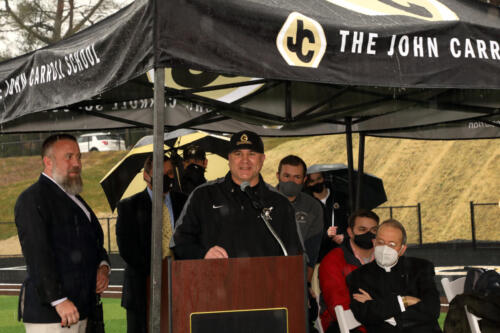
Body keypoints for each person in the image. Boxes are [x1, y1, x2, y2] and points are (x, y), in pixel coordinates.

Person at [14, 134, 110, 332]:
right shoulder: (32, 199)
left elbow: (93, 242)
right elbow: (37, 255)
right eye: (69, 157)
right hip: (53, 316)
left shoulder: (75, 198)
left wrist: (102, 267)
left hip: (83, 310)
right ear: (48, 162)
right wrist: (58, 300)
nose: (77, 163)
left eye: (78, 157)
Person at [172, 130, 303, 259]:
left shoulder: (280, 203)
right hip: (214, 278)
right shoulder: (203, 195)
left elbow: (294, 255)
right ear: (229, 158)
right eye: (238, 154)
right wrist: (203, 254)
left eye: (251, 154)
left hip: (264, 279)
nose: (244, 160)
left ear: (262, 159)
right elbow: (179, 242)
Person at [116, 155, 187, 333]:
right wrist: (158, 274)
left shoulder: (185, 202)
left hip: (180, 288)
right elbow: (127, 250)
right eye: (159, 173)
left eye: (169, 172)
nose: (166, 177)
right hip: (141, 292)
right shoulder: (128, 207)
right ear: (146, 175)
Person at [346, 219, 441, 333]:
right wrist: (404, 301)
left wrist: (383, 310)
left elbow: (432, 310)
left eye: (392, 244)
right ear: (374, 243)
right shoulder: (358, 276)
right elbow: (365, 314)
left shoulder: (420, 268)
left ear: (402, 249)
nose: (385, 248)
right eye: (381, 242)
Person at [319, 209, 380, 333]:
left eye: (374, 230)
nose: (369, 234)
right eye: (362, 230)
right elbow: (338, 305)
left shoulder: (384, 258)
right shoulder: (333, 260)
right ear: (350, 232)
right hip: (341, 324)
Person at [276, 155, 323, 283]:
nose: (291, 181)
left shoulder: (313, 207)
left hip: (297, 275)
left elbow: (312, 250)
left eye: (297, 177)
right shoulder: (261, 203)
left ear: (304, 179)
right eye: (286, 176)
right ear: (277, 176)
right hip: (265, 272)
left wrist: (304, 285)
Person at [305, 169, 350, 261]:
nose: (317, 183)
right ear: (307, 184)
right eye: (312, 181)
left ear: (324, 178)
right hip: (320, 258)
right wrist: (326, 234)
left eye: (319, 178)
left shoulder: (341, 197)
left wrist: (345, 236)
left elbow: (354, 223)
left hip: (345, 254)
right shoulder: (306, 205)